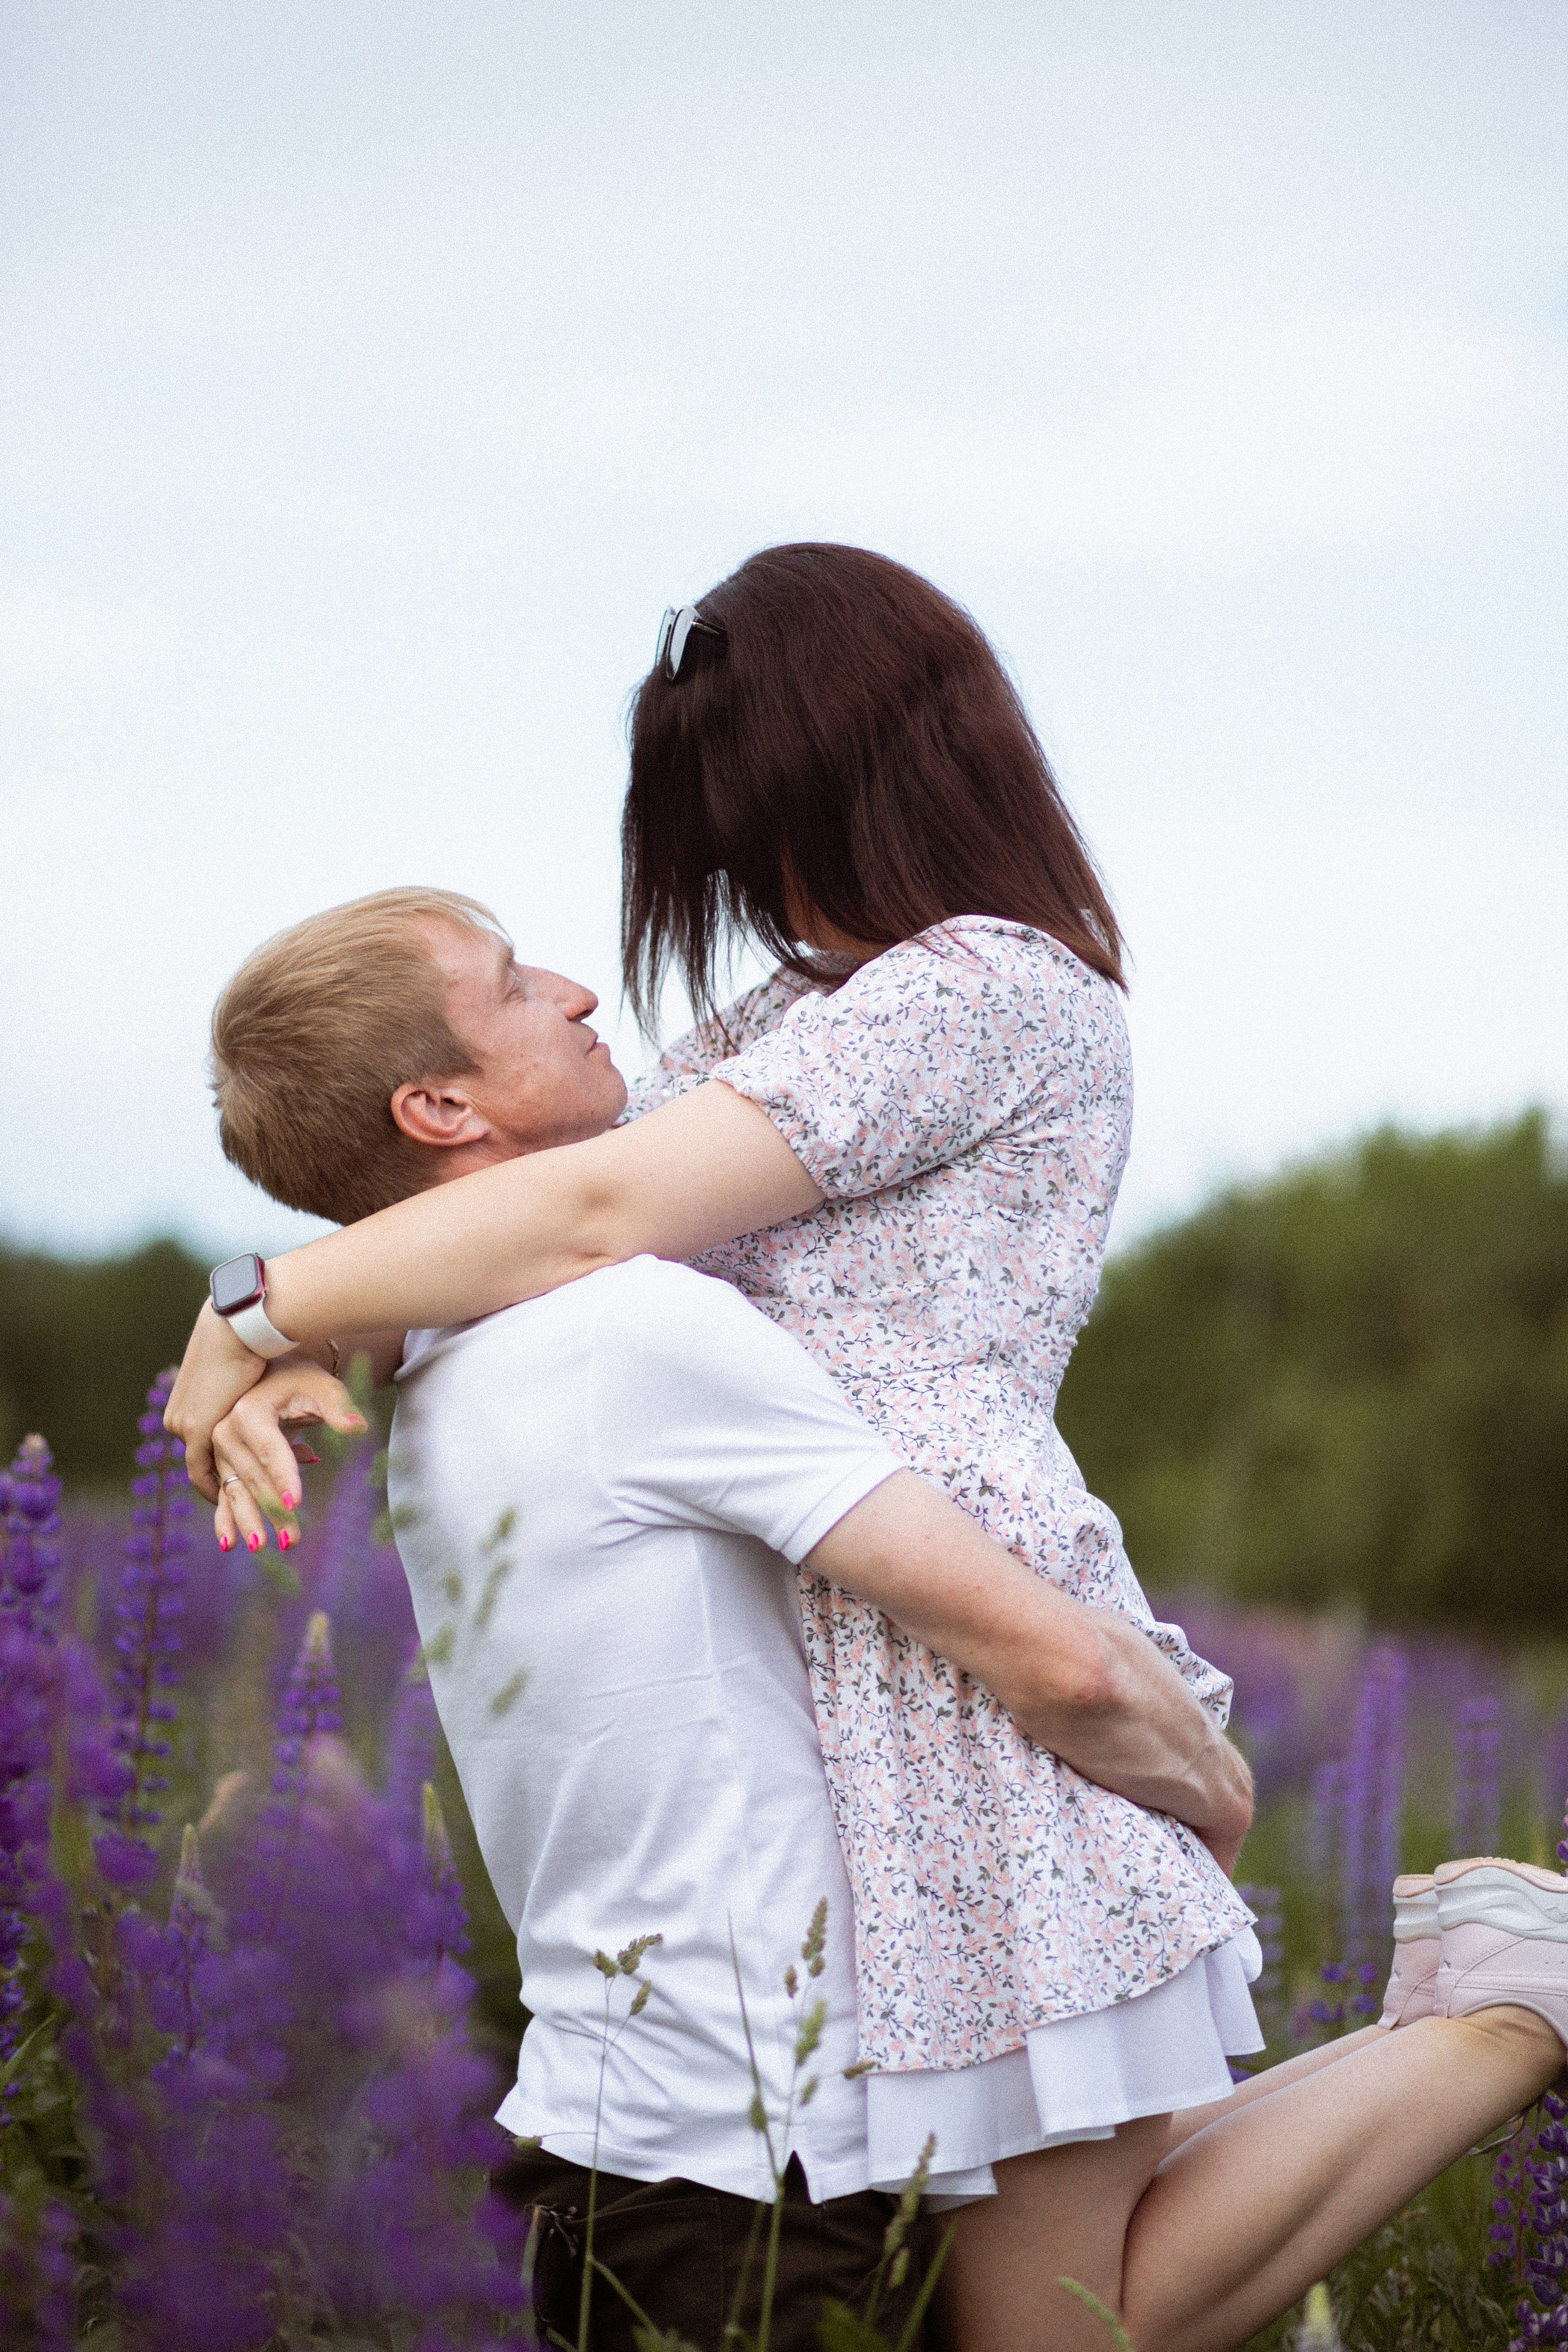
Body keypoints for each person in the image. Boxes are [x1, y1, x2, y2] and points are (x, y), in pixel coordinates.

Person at [167, 551, 1568, 2345]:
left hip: (956, 1670)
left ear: (854, 773)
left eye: (734, 822)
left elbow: (593, 1204)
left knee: (1060, 2318)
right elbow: (519, 1214)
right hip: (838, 1666)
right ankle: (1488, 1995)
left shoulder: (988, 984)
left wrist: (260, 1303)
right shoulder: (788, 1019)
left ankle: (1505, 2008)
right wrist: (341, 1311)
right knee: (1053, 2282)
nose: (704, 901)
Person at [196, 886, 1255, 2350]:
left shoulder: (435, 1357)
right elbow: (1046, 1649)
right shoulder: (634, 1330)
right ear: (438, 1104)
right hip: (752, 2172)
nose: (574, 991)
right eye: (511, 985)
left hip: (612, 2144)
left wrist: (262, 1328)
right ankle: (1493, 2021)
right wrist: (1205, 1782)